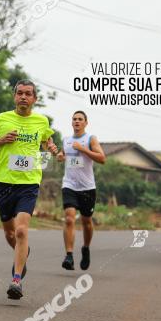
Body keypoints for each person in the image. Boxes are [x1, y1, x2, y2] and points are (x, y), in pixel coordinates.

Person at [0, 80, 59, 300]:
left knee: (22, 231)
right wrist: (1, 140)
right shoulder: (1, 119)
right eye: (20, 93)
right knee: (10, 233)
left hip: (29, 183)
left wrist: (51, 147)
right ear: (14, 97)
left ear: (34, 99)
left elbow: (46, 139)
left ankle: (16, 279)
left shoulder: (41, 121)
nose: (23, 97)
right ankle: (21, 253)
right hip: (4, 183)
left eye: (28, 94)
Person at [56, 111, 105, 270]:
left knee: (86, 222)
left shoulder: (91, 139)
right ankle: (69, 255)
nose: (76, 121)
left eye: (80, 119)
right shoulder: (66, 140)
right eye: (74, 119)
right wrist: (60, 156)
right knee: (69, 218)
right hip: (69, 184)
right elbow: (63, 155)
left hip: (87, 187)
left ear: (85, 123)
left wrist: (84, 149)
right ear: (72, 123)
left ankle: (85, 248)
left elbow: (102, 158)